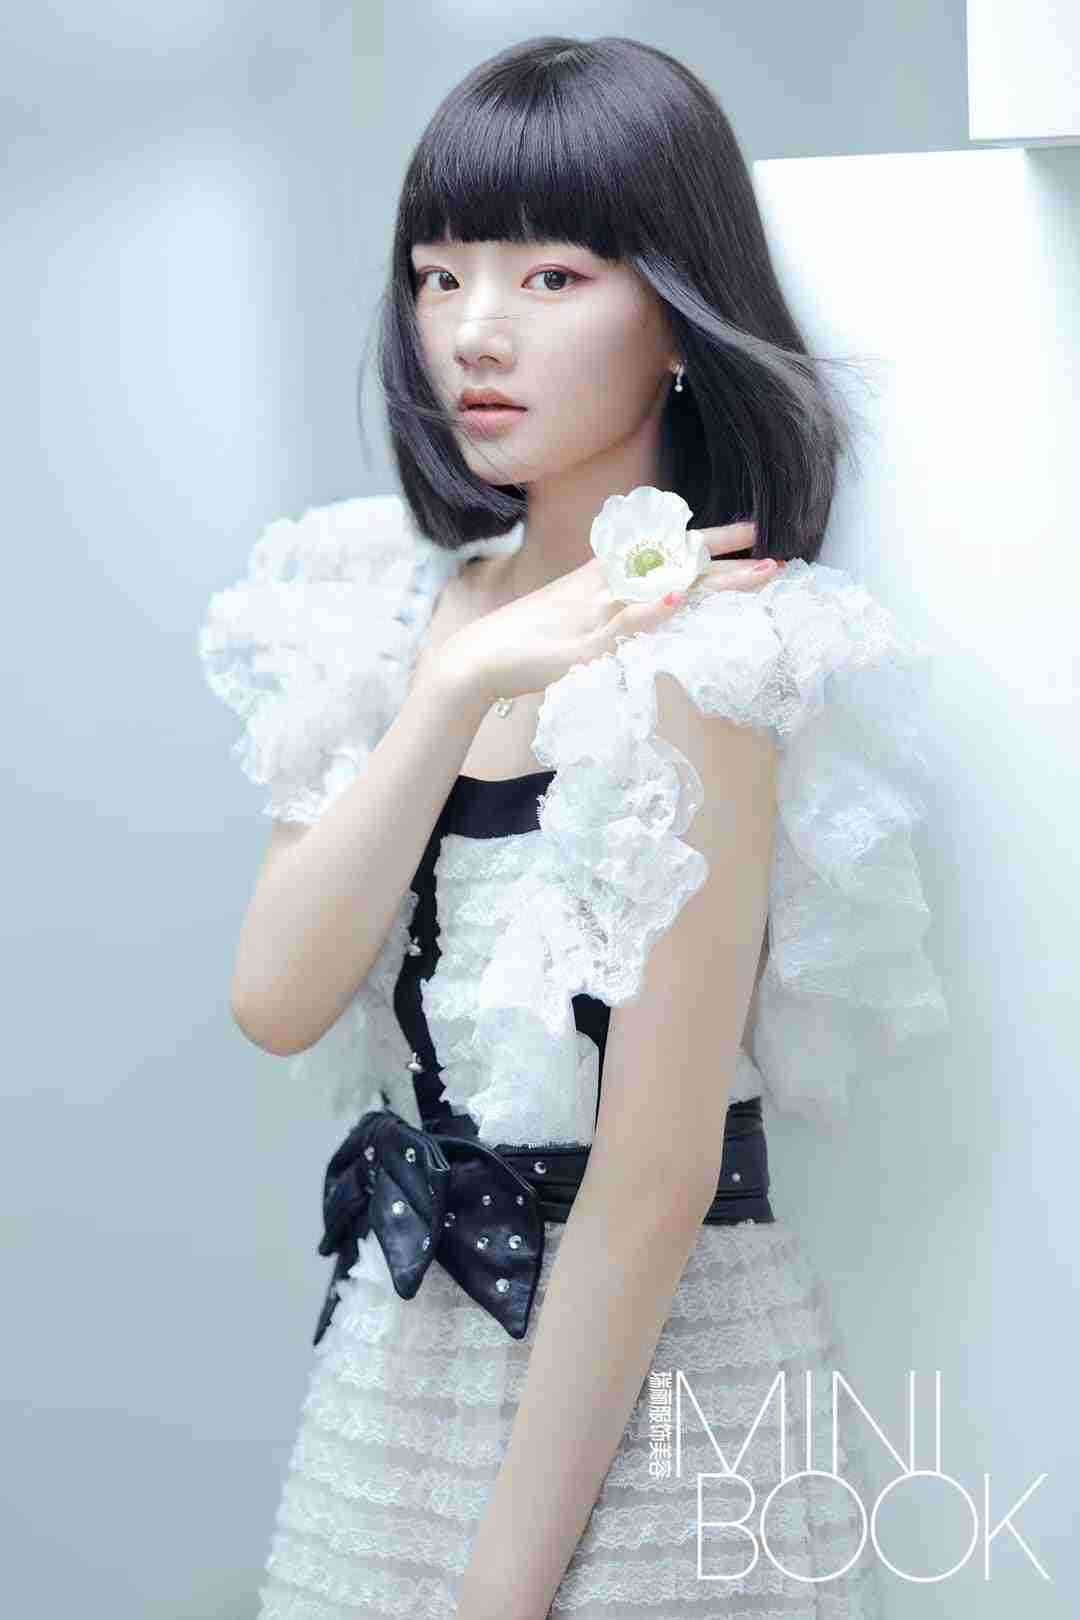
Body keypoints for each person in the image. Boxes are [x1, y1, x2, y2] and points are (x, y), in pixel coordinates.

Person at [198, 34, 949, 1620]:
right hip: (400, 1369)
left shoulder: (711, 659)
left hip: (658, 1400)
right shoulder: (375, 608)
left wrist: (502, 1594)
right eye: (440, 275)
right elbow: (275, 997)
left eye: (551, 277)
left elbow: (653, 1180)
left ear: (673, 313)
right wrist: (456, 682)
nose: (476, 330)